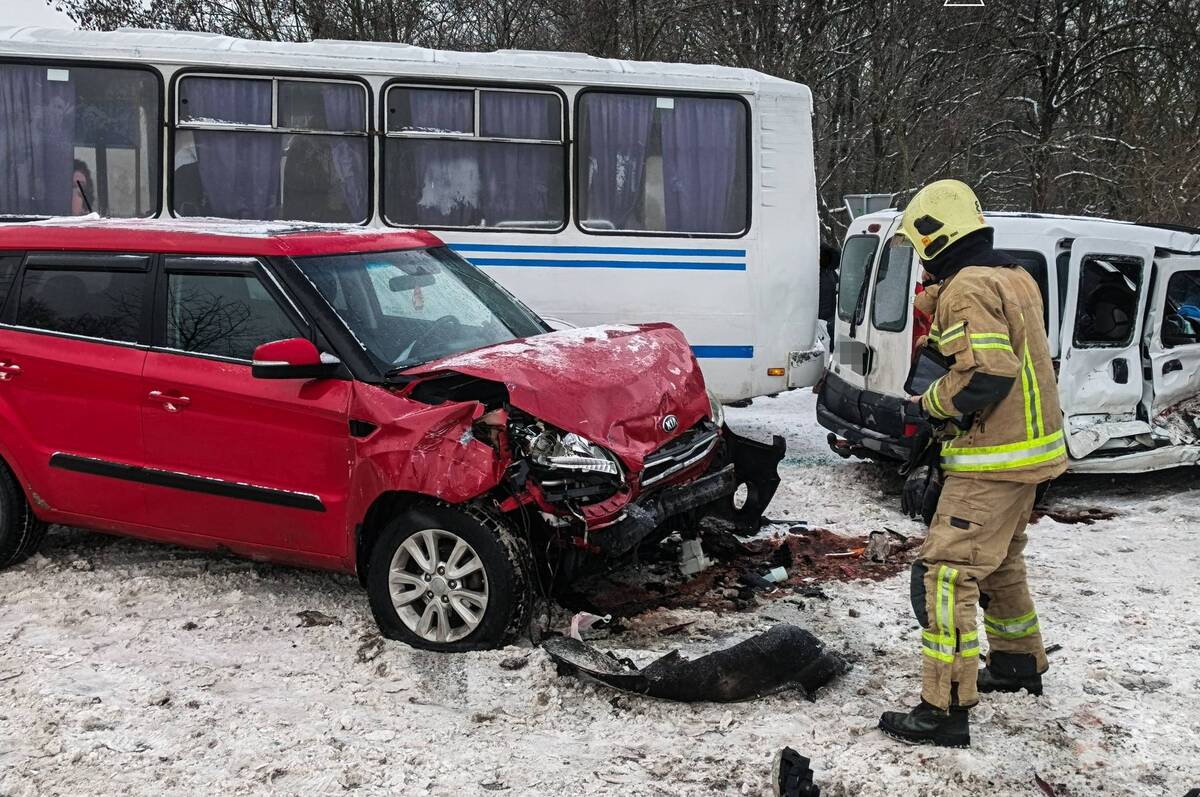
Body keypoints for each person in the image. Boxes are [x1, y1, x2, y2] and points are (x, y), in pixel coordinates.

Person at [878, 179, 1067, 747]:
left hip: (992, 459)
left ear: (935, 235)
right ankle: (1017, 664)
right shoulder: (1014, 276)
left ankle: (944, 708)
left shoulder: (968, 286)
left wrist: (929, 403)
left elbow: (987, 373)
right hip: (1031, 452)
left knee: (947, 576)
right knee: (1002, 563)